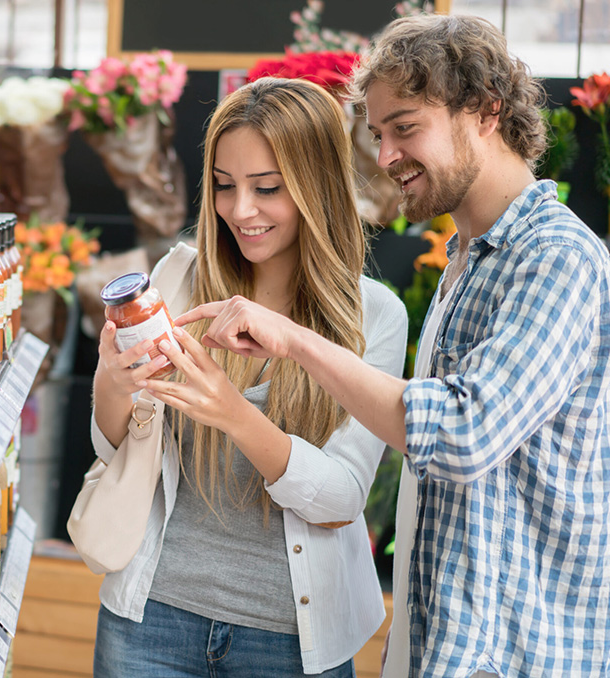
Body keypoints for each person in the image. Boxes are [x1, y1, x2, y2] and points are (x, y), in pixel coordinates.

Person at [169, 14, 610, 678]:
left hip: (523, 654)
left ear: (485, 112)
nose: (385, 157)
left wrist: (296, 342)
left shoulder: (556, 258)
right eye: (378, 135)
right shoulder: (470, 260)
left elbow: (458, 435)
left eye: (406, 128)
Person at [90, 76, 408, 677]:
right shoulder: (180, 276)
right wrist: (114, 381)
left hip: (287, 642)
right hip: (151, 621)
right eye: (223, 186)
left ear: (317, 188)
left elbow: (340, 500)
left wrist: (233, 412)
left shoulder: (373, 318)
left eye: (267, 188)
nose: (240, 211)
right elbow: (115, 446)